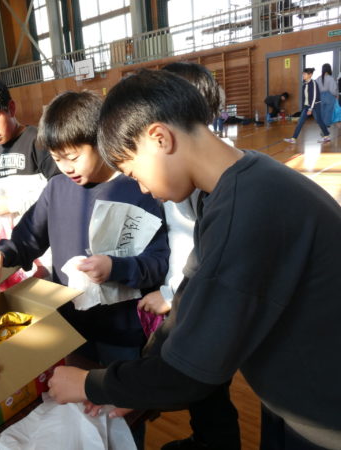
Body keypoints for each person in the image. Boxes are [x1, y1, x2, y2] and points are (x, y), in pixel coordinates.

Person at [47, 69, 341, 449]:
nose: (141, 188)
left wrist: (91, 384)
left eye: (133, 172)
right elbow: (188, 298)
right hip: (293, 397)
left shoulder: (246, 209)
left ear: (159, 138)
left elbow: (190, 373)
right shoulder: (238, 183)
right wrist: (133, 382)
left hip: (322, 417)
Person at [0, 90, 169, 364]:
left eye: (73, 157)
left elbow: (158, 262)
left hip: (123, 329)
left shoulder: (137, 189)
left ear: (100, 139)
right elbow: (28, 236)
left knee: (119, 388)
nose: (66, 168)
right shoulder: (57, 189)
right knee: (75, 383)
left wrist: (115, 267)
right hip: (71, 324)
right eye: (56, 158)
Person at [149, 63, 241, 450]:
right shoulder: (194, 182)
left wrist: (172, 297)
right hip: (188, 292)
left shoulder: (226, 195)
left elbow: (200, 257)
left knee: (207, 383)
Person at [0, 76, 61, 283]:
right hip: (13, 250)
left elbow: (60, 192)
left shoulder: (38, 142)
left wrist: (13, 204)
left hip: (44, 247)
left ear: (11, 108)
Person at [284, 68, 330, 144]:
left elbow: (314, 97)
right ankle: (293, 138)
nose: (303, 75)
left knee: (319, 120)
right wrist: (305, 107)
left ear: (310, 75)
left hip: (315, 106)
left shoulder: (314, 83)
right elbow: (305, 97)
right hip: (307, 106)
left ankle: (326, 136)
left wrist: (311, 108)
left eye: (305, 74)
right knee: (300, 122)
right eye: (303, 74)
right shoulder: (305, 84)